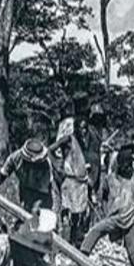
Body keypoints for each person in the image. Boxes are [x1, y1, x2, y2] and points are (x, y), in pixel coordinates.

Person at [81, 145, 134, 266]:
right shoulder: (110, 179)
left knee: (133, 251)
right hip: (114, 217)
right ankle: (83, 255)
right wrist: (104, 211)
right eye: (124, 165)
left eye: (129, 165)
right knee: (96, 230)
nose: (127, 168)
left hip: (131, 218)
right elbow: (103, 195)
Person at [51, 103, 92, 248]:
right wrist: (59, 166)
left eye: (84, 128)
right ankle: (65, 242)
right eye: (79, 128)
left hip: (80, 182)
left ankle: (74, 241)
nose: (82, 131)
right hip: (70, 181)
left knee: (78, 214)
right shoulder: (67, 139)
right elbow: (51, 150)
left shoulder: (82, 142)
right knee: (68, 212)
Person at [0, 138, 60, 214]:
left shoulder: (45, 166)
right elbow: (2, 175)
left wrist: (37, 207)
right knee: (26, 212)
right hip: (25, 188)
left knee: (41, 216)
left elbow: (45, 191)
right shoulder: (15, 158)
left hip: (42, 194)